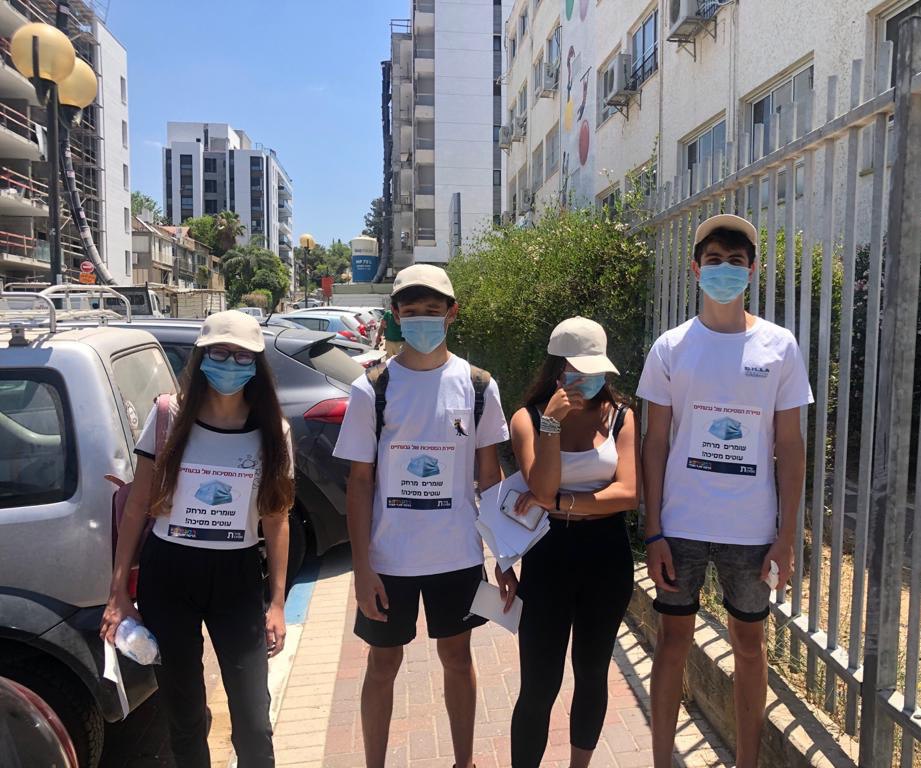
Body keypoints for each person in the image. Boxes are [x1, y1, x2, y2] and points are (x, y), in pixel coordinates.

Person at [637, 214, 812, 768]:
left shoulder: (779, 346)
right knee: (672, 644)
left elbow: (790, 446)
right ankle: (661, 760)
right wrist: (653, 532)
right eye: (713, 260)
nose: (724, 270)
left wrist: (786, 537)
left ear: (752, 270)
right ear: (695, 269)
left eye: (736, 261)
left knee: (750, 648)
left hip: (751, 531)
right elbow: (654, 443)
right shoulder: (670, 348)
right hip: (681, 526)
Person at [334, 264, 517, 768]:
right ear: (395, 314)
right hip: (388, 561)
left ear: (451, 313)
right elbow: (359, 484)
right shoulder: (372, 389)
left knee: (457, 659)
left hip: (456, 556)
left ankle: (464, 762)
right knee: (382, 663)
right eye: (411, 311)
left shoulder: (478, 387)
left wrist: (504, 557)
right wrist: (362, 569)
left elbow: (490, 478)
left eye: (432, 310)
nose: (421, 319)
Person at [101, 310, 294, 768]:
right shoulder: (168, 416)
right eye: (219, 353)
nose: (230, 363)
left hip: (236, 576)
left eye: (242, 356)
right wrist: (117, 593)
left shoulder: (274, 432)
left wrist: (277, 603)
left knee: (253, 715)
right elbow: (137, 505)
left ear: (257, 364)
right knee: (184, 713)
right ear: (201, 357)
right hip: (169, 572)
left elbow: (276, 519)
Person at [508, 317, 639, 768]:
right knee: (539, 682)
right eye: (577, 370)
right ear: (556, 369)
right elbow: (540, 488)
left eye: (595, 369)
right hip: (548, 558)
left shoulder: (620, 416)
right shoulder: (527, 419)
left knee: (592, 671)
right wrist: (551, 426)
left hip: (607, 557)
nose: (588, 378)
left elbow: (629, 493)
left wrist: (563, 502)